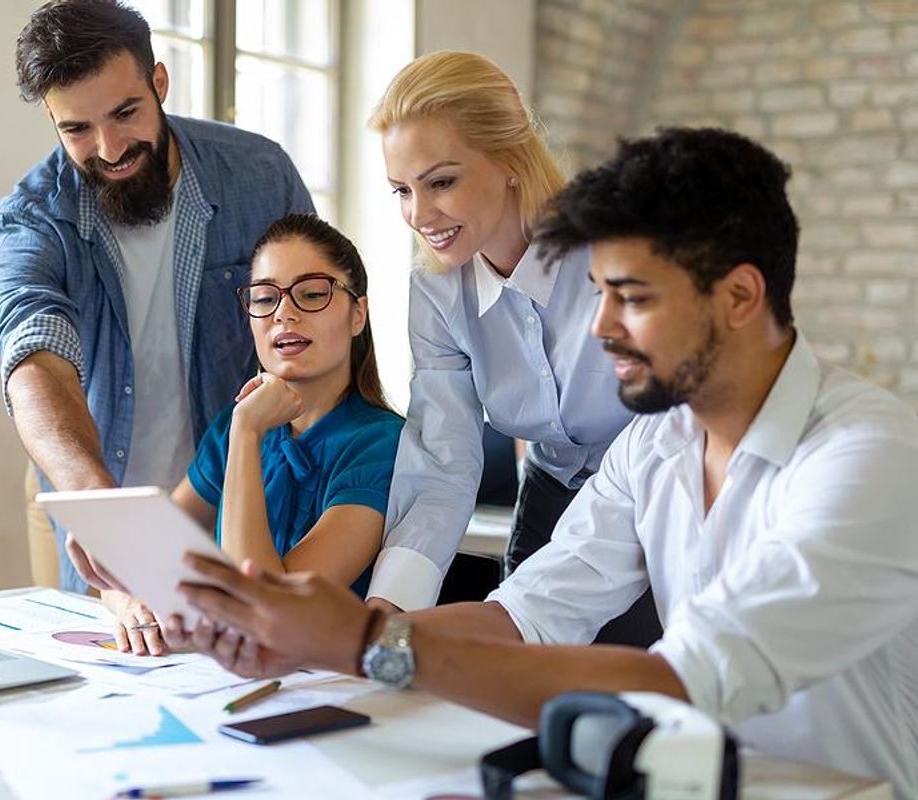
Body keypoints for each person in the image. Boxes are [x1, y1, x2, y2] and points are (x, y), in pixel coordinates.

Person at [175, 128, 918, 795]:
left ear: (739, 296)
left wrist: (368, 644)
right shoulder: (654, 445)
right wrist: (323, 639)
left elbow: (678, 679)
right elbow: (525, 614)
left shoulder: (865, 457)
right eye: (598, 294)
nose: (601, 328)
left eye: (630, 298)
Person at [0, 0, 313, 593]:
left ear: (159, 82)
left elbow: (321, 324)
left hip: (250, 502)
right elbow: (34, 355)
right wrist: (95, 504)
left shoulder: (260, 175)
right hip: (102, 514)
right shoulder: (28, 223)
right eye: (76, 129)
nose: (108, 149)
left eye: (125, 113)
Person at [363, 52, 656, 646]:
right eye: (401, 190)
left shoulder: (615, 251)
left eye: (441, 181)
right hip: (547, 498)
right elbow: (443, 463)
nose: (419, 215)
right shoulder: (437, 289)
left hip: (652, 500)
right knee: (521, 699)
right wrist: (385, 611)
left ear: (510, 162)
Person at [70, 214, 404, 656]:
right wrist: (127, 599)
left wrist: (247, 433)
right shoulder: (233, 423)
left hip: (326, 681)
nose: (284, 312)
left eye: (311, 294)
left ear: (357, 313)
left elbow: (269, 608)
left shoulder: (382, 443)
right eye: (265, 298)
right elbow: (143, 555)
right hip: (225, 672)